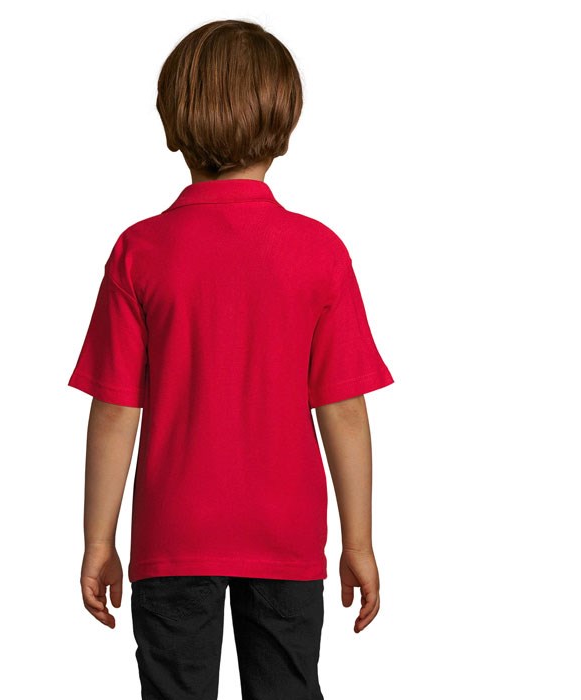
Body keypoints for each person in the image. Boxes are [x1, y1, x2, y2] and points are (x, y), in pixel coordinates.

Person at [67, 19, 394, 700]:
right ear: (284, 122)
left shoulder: (140, 252)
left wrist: (99, 539)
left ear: (173, 122)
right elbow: (343, 410)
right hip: (285, 535)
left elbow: (116, 410)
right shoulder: (319, 253)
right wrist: (358, 541)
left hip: (173, 534)